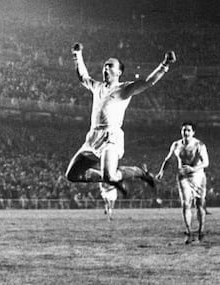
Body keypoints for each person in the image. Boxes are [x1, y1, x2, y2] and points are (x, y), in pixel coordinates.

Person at [66, 42, 176, 195]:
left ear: (118, 72)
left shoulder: (124, 89)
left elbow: (148, 82)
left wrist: (165, 64)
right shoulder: (97, 87)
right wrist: (77, 55)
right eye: (105, 65)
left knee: (110, 175)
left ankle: (138, 172)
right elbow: (83, 76)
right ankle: (106, 178)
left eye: (110, 66)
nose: (106, 68)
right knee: (72, 175)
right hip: (92, 137)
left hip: (110, 137)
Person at [156, 122, 209, 244]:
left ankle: (201, 231)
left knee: (200, 203)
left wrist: (193, 169)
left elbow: (206, 162)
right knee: (186, 204)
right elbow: (167, 160)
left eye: (188, 130)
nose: (186, 133)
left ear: (193, 132)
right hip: (183, 176)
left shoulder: (199, 145)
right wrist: (161, 172)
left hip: (198, 176)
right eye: (184, 130)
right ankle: (189, 232)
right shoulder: (176, 145)